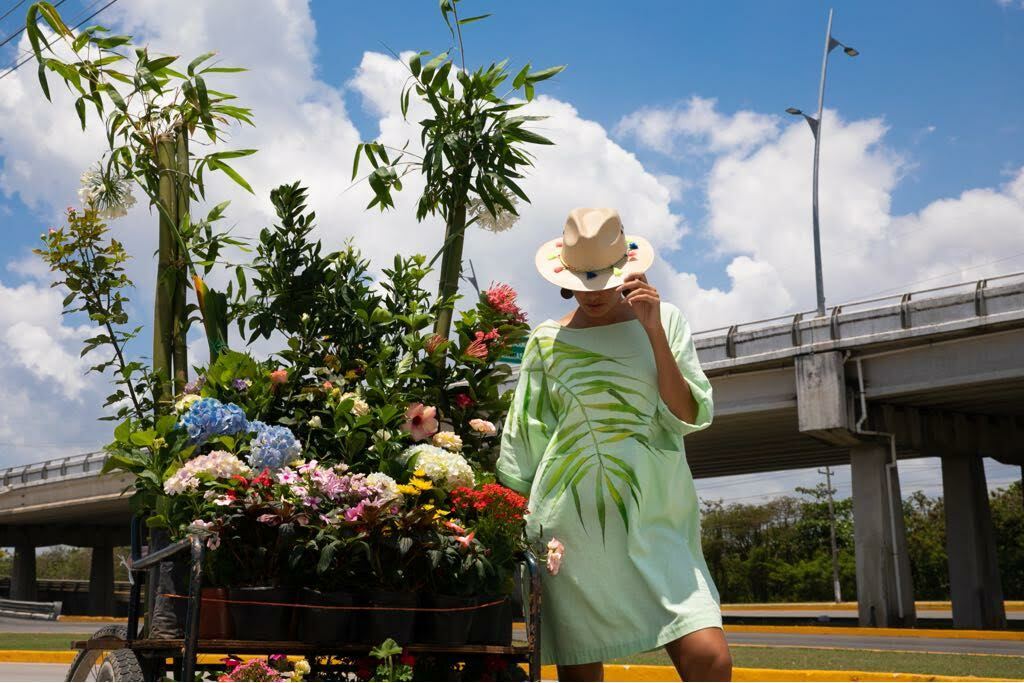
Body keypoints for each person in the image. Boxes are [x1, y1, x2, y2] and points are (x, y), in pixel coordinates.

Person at [497, 208, 732, 681]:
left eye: (603, 279)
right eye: (583, 282)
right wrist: (506, 520)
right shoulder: (547, 340)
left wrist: (653, 331)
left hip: (657, 517)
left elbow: (686, 416)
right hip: (570, 529)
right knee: (582, 673)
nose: (594, 293)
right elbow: (526, 438)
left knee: (708, 656)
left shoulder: (666, 320)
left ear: (626, 271)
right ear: (563, 275)